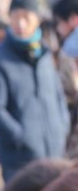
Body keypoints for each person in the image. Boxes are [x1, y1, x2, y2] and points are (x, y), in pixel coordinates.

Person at [0, 0, 70, 182]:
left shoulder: (45, 55)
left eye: (26, 17)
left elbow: (58, 97)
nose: (20, 24)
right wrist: (20, 136)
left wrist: (62, 126)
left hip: (55, 157)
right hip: (19, 163)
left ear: (37, 20)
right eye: (15, 17)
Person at [54, 0, 78, 155]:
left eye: (58, 22)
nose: (57, 28)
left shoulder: (71, 47)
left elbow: (71, 87)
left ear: (73, 19)